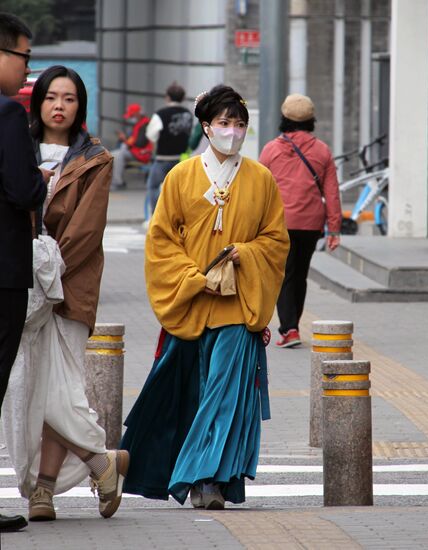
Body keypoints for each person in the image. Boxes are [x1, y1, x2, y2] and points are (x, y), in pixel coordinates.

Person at [121, 85, 289, 510]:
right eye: (223, 123)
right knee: (193, 393)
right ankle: (201, 475)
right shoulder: (180, 177)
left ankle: (205, 479)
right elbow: (160, 241)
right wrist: (194, 276)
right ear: (206, 127)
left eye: (239, 124)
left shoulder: (261, 178)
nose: (232, 132)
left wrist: (245, 254)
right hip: (194, 300)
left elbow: (275, 240)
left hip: (238, 303)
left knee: (224, 393)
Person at [1, 65, 129, 522]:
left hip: (68, 286)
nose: (59, 105)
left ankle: (45, 492)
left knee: (62, 388)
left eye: (70, 98)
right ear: (37, 104)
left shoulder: (95, 158)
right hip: (20, 284)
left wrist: (46, 272)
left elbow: (85, 231)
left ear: (81, 106)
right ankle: (102, 461)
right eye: (52, 97)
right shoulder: (17, 145)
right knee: (28, 388)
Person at [0, 12, 48, 533]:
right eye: (23, 58)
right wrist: (39, 180)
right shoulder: (9, 117)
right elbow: (20, 189)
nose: (26, 70)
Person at [259, 93, 342, 348]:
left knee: (284, 275)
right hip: (310, 223)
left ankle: (290, 329)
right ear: (311, 120)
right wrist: (334, 229)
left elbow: (258, 188)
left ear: (284, 118)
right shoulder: (322, 150)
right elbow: (332, 191)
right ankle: (292, 326)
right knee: (300, 275)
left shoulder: (272, 149)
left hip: (279, 223)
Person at [145, 82, 193, 211]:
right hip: (182, 159)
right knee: (180, 189)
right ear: (182, 98)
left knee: (154, 186)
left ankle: (157, 216)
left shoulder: (160, 114)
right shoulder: (188, 114)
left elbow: (151, 135)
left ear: (167, 97)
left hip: (163, 159)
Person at [110, 102, 152, 189]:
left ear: (137, 114)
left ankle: (118, 182)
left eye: (132, 115)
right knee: (112, 154)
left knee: (118, 155)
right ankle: (116, 181)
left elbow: (140, 143)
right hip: (135, 152)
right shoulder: (139, 123)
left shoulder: (145, 124)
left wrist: (125, 139)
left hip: (142, 154)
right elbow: (134, 140)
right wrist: (125, 139)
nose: (130, 118)